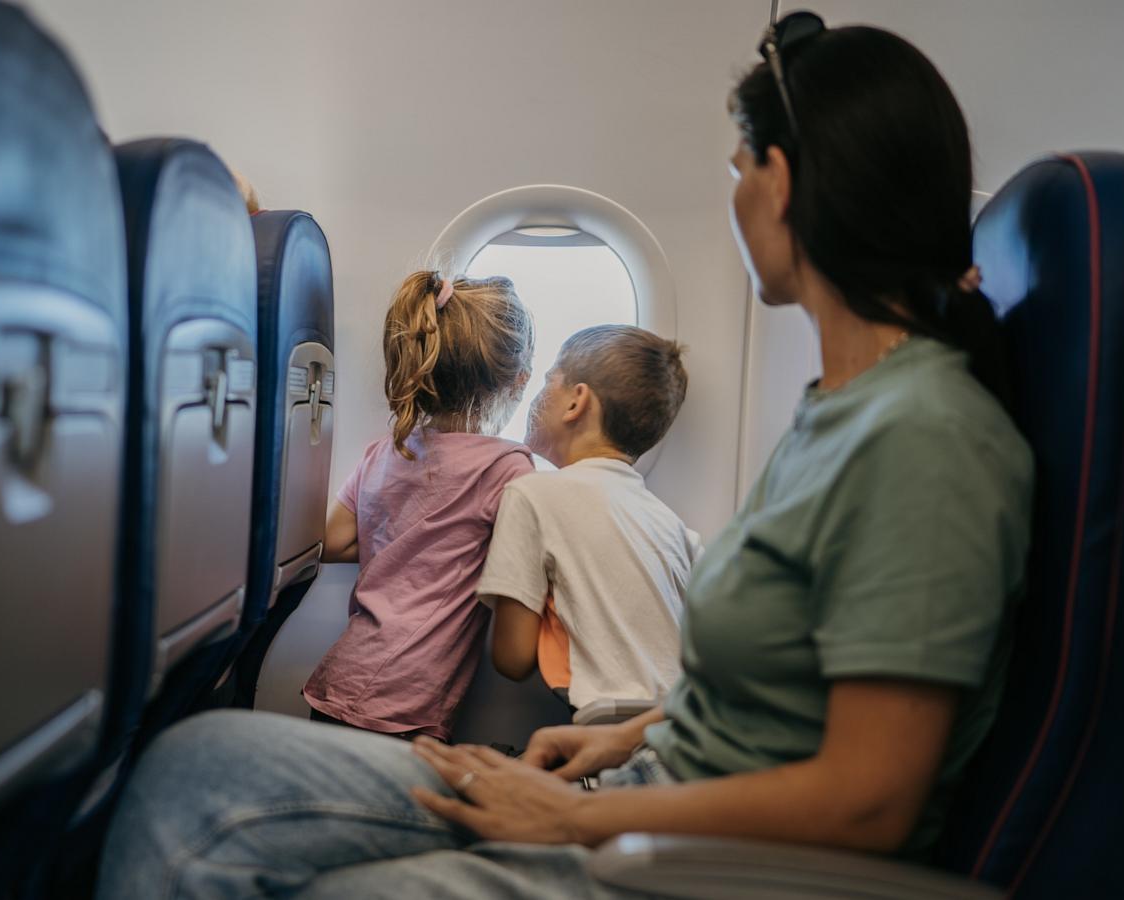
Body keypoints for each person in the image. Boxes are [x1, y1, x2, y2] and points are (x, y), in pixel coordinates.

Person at [96, 19, 1032, 899]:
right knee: (196, 765)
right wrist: (614, 740)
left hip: (688, 853)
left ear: (780, 185)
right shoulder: (837, 415)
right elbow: (759, 704)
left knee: (247, 846)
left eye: (739, 166)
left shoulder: (924, 439)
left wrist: (586, 819)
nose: (735, 188)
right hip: (631, 790)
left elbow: (871, 799)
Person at [303, 270, 536, 740]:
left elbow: (331, 541)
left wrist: (404, 544)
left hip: (344, 677)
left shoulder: (386, 451)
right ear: (518, 381)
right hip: (400, 704)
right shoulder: (508, 468)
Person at [481, 324, 698, 712]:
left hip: (609, 732)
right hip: (680, 728)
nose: (538, 393)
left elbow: (512, 658)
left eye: (549, 380)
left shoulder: (533, 494)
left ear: (575, 402)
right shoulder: (675, 528)